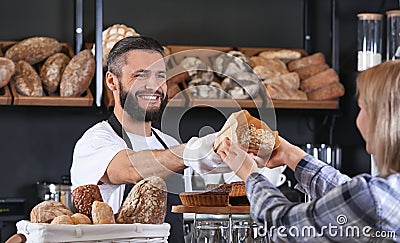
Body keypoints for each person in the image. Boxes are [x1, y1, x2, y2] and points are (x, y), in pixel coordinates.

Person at [217, 60, 400, 242]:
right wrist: (292, 155)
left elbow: (284, 226)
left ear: (384, 120)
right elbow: (348, 197)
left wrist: (250, 174)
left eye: (362, 107)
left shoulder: (374, 199)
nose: (358, 119)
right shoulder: (388, 193)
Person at [70, 36, 229, 242]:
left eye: (160, 76)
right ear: (112, 81)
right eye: (140, 76)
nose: (153, 86)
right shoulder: (95, 141)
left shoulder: (169, 144)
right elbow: (130, 169)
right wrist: (198, 148)